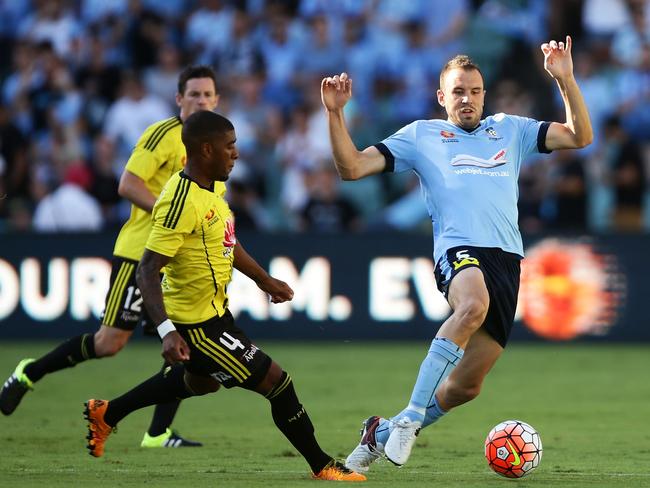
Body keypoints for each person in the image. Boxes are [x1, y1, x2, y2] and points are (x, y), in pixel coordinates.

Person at [320, 35, 592, 472]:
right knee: (472, 306)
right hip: (459, 250)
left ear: (484, 95)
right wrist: (335, 114)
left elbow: (580, 136)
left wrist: (565, 80)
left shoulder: (511, 128)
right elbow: (350, 167)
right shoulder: (421, 136)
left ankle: (381, 434)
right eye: (458, 92)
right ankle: (410, 416)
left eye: (475, 91)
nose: (468, 99)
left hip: (508, 260)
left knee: (467, 387)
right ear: (441, 96)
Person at [83, 110, 366, 482]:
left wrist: (265, 280)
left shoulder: (213, 187)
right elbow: (147, 269)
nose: (236, 154)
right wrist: (167, 330)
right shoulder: (180, 202)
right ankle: (322, 464)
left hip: (215, 312)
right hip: (196, 325)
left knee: (202, 381)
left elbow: (227, 242)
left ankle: (107, 413)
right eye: (229, 147)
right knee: (278, 383)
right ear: (205, 150)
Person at [0, 65, 221, 449]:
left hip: (180, 259)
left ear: (216, 99)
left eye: (207, 95)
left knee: (185, 341)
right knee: (109, 344)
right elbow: (128, 183)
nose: (201, 101)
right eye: (194, 94)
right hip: (142, 254)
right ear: (179, 99)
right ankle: (29, 371)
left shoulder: (214, 143)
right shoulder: (162, 136)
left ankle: (157, 433)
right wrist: (170, 213)